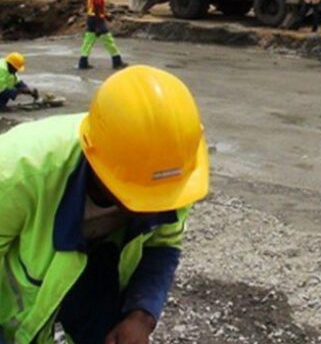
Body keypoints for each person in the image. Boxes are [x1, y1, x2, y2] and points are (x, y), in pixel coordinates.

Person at [0, 65, 209, 344]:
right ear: (97, 164)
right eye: (139, 197)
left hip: (101, 270)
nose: (153, 210)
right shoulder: (18, 172)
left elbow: (163, 244)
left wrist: (140, 316)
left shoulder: (171, 174)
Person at [79, 0, 128, 70]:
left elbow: (95, 9)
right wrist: (101, 22)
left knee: (88, 41)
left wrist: (106, 14)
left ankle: (83, 62)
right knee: (109, 41)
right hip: (98, 21)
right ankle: (117, 61)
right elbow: (98, 10)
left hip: (90, 19)